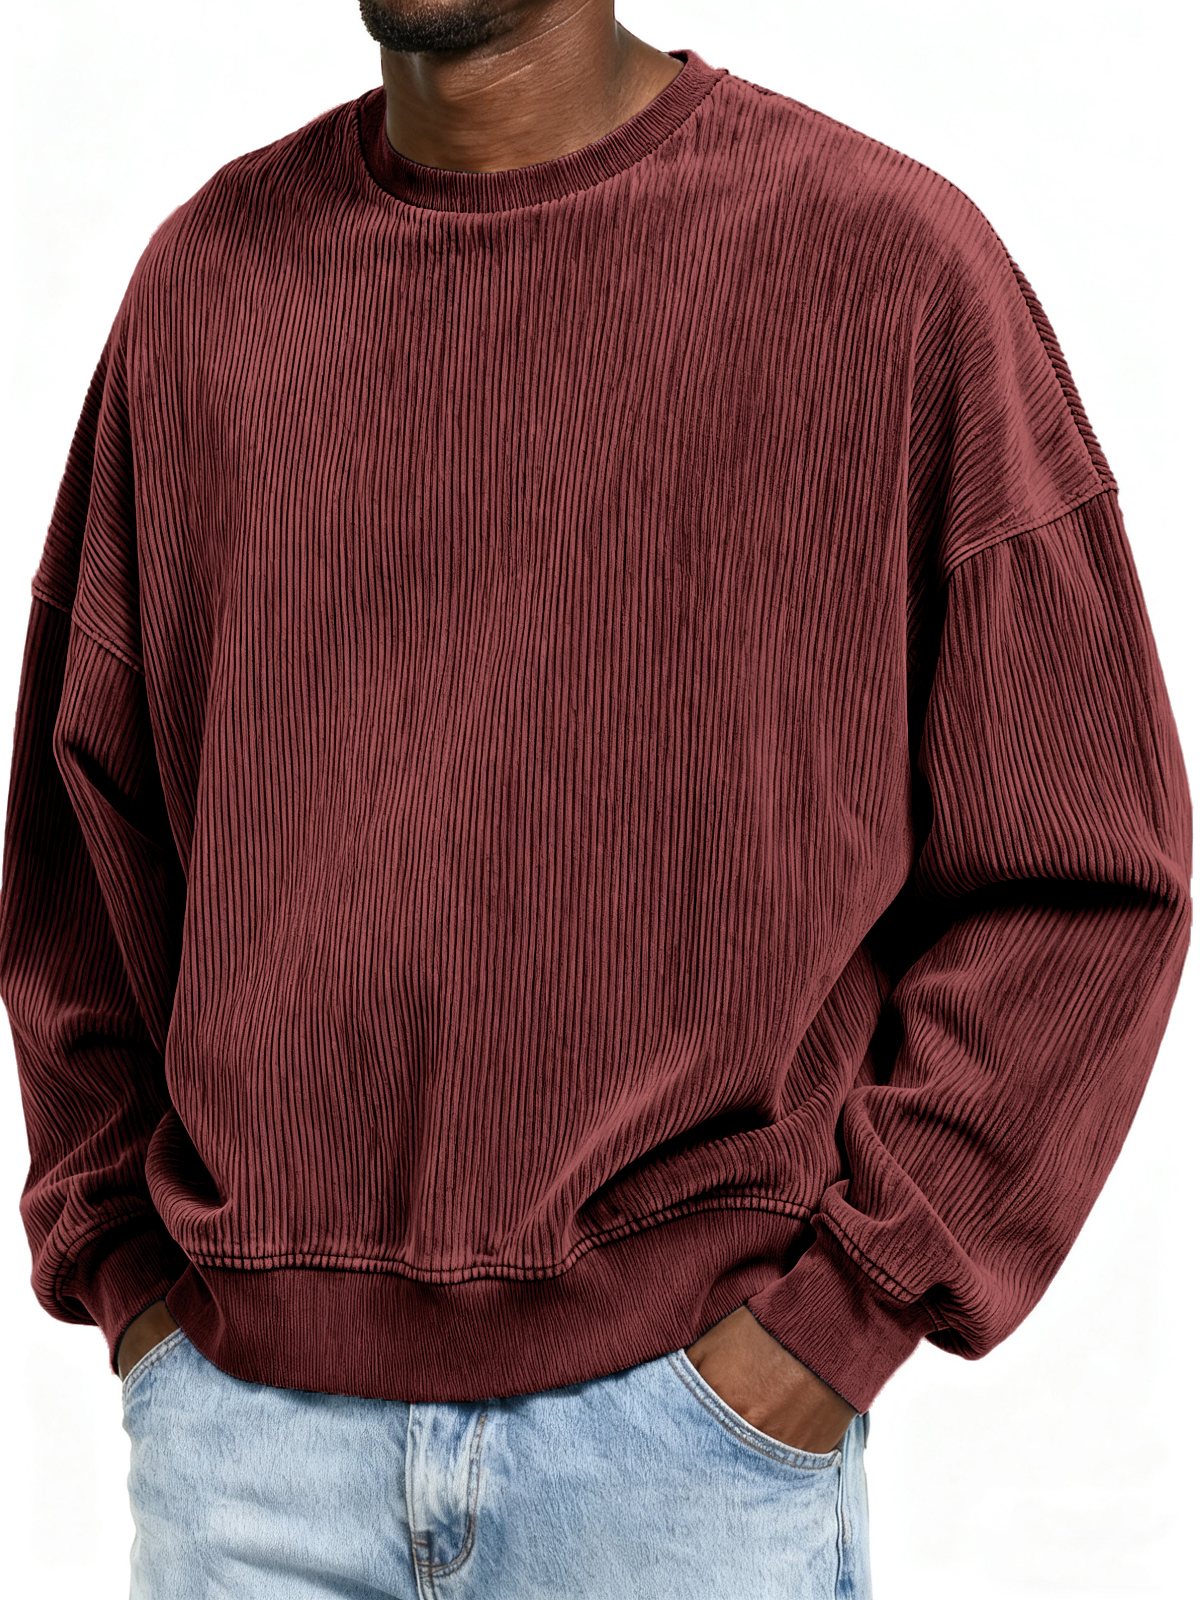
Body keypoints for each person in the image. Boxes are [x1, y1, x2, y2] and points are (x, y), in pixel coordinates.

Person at [0, 3, 1190, 1596]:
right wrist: (133, 1286)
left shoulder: (886, 272)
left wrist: (838, 1322)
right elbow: (78, 859)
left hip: (680, 1462)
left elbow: (1087, 864)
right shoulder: (207, 292)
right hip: (250, 1463)